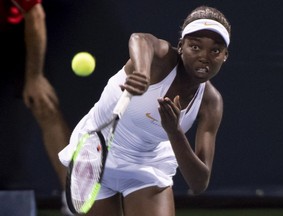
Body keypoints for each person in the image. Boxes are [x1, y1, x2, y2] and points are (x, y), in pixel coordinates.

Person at [59, 5, 231, 216]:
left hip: (147, 167)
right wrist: (142, 72)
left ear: (224, 56)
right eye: (195, 47)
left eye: (215, 50)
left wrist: (174, 132)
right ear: (180, 46)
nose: (205, 56)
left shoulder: (211, 103)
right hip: (96, 155)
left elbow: (199, 183)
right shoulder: (161, 60)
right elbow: (141, 38)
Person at [0, 0, 72, 215]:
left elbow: (35, 14)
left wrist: (34, 76)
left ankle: (74, 197)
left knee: (44, 104)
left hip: (22, 34)